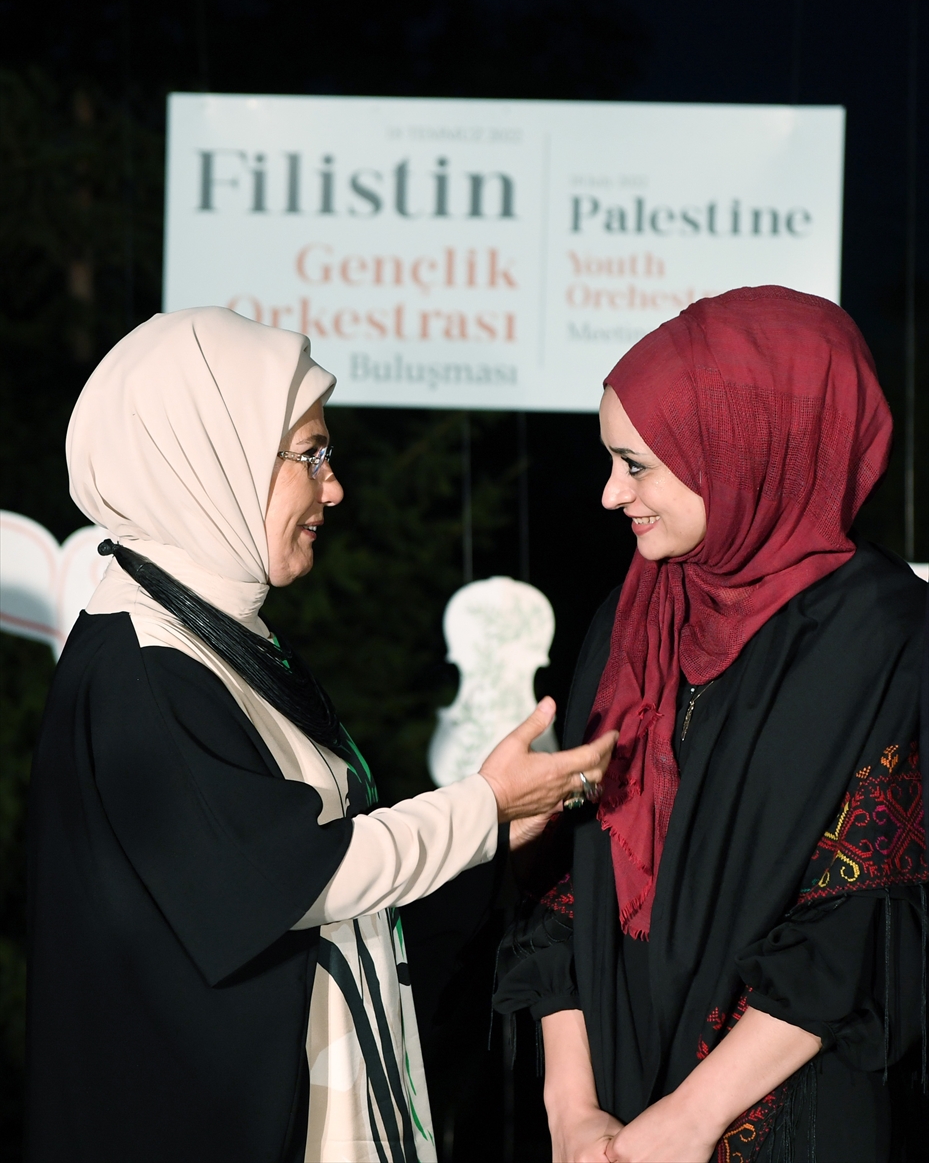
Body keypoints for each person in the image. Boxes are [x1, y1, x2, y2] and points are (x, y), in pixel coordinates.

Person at [25, 307, 614, 1163]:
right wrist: (482, 809)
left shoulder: (208, 634)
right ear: (209, 457)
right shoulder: (146, 669)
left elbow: (301, 864)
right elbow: (291, 879)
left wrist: (493, 831)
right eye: (308, 454)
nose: (332, 488)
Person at [493, 286, 927, 1163]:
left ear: (742, 448)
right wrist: (571, 1108)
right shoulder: (637, 613)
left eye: (637, 465)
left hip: (785, 1117)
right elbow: (563, 879)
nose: (610, 494)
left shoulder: (885, 637)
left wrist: (690, 1120)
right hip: (614, 1116)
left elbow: (863, 919)